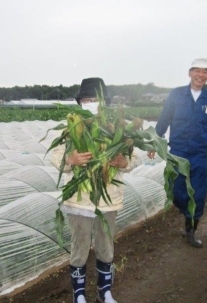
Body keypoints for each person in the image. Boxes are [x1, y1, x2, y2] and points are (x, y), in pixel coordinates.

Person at [51, 78, 138, 303]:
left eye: (95, 99)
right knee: (79, 247)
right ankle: (78, 294)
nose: (91, 103)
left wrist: (124, 161)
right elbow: (55, 156)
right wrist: (70, 159)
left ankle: (104, 292)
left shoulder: (118, 126)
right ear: (80, 102)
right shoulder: (71, 126)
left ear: (104, 102)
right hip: (79, 201)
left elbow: (134, 156)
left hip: (108, 200)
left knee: (105, 246)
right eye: (87, 99)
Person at [148, 58, 207, 248]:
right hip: (177, 152)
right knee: (176, 191)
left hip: (199, 154)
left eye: (205, 72)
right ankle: (186, 212)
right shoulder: (176, 95)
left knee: (199, 193)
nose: (201, 75)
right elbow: (164, 119)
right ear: (190, 73)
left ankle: (191, 229)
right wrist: (154, 143)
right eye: (197, 71)